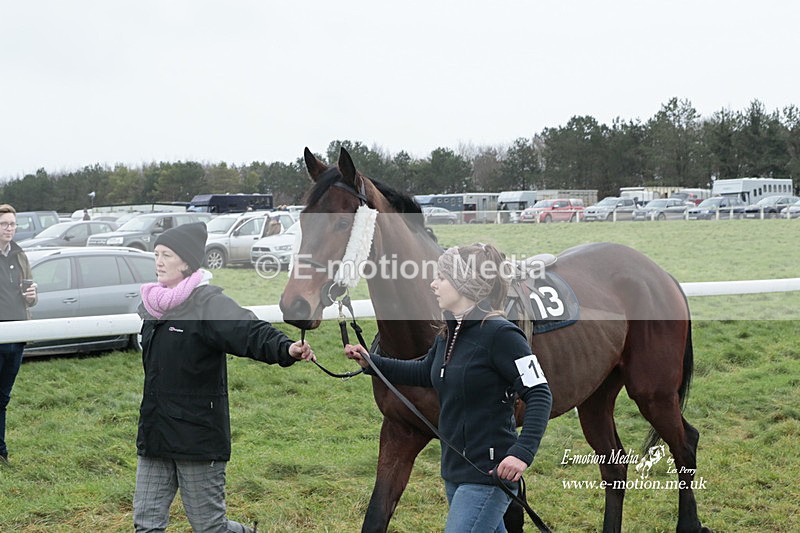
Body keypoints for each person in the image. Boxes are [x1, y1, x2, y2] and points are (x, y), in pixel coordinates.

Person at [345, 243, 552, 533]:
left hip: (488, 475)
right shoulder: (449, 333)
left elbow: (540, 392)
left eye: (441, 277)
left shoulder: (503, 335)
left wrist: (522, 453)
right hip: (456, 471)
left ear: (464, 284)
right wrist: (371, 362)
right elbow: (425, 371)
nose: (433, 284)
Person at [133, 222, 315, 533]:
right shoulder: (154, 306)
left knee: (210, 528)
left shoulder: (208, 303)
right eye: (156, 255)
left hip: (196, 436)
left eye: (166, 255)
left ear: (186, 262)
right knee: (146, 525)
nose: (158, 262)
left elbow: (249, 330)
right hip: (155, 433)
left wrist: (286, 348)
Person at [0, 204, 38, 465]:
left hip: (18, 336)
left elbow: (30, 298)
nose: (9, 228)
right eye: (4, 224)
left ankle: (1, 452)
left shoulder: (20, 255)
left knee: (3, 398)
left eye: (12, 224)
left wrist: (32, 296)